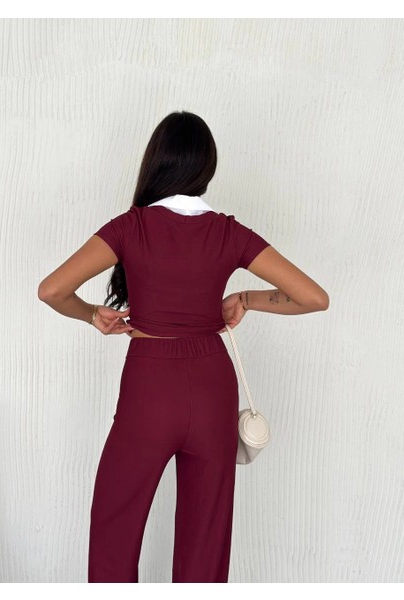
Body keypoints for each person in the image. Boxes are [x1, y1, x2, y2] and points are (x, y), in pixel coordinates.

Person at [37, 110, 329, 583]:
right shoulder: (229, 232)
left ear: (155, 162)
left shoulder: (131, 227)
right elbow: (314, 298)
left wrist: (92, 314)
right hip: (213, 385)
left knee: (115, 527)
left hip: (149, 387)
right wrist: (246, 299)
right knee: (205, 540)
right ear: (206, 168)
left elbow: (52, 290)